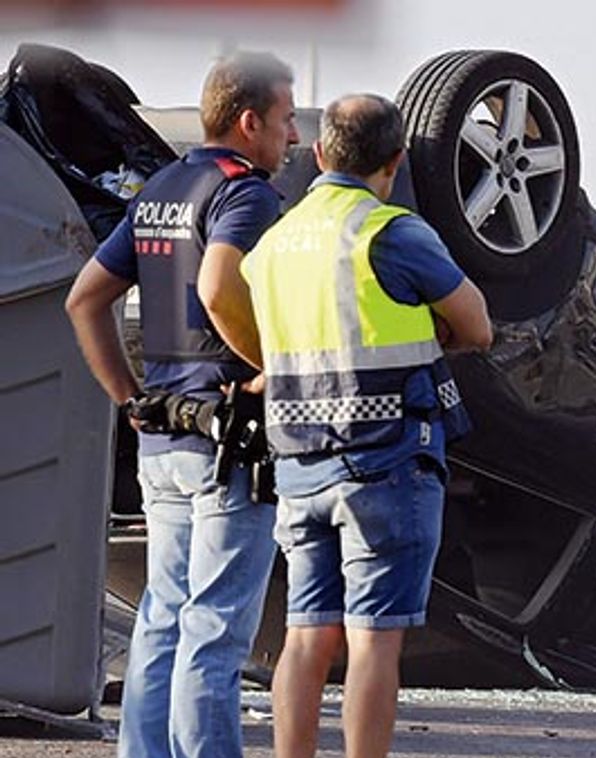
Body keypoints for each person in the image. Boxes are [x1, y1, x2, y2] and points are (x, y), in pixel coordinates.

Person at [233, 93, 492, 758]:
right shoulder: (391, 232)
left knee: (305, 635)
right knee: (374, 638)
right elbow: (478, 326)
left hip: (297, 461)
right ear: (396, 160)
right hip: (386, 462)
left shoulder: (272, 244)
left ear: (319, 154)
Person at [64, 51, 298, 758]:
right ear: (249, 120)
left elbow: (85, 299)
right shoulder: (244, 194)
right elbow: (220, 287)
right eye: (286, 120)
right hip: (226, 443)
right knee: (217, 628)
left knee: (163, 619)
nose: (291, 139)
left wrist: (128, 398)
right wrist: (275, 367)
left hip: (163, 437)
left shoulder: (162, 187)